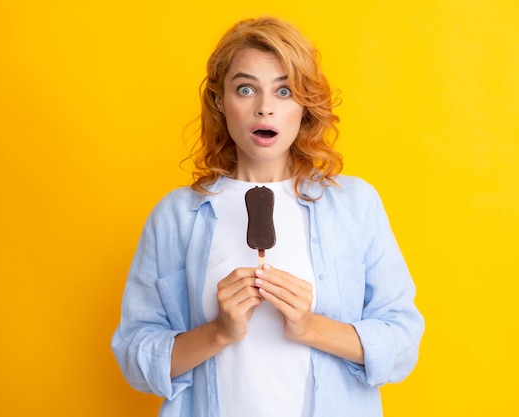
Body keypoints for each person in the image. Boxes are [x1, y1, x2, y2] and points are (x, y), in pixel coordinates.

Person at [112, 16, 424, 417]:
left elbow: (402, 343)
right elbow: (134, 353)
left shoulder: (355, 205)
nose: (265, 108)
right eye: (246, 89)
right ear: (220, 102)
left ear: (304, 105)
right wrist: (219, 332)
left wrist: (310, 327)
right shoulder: (176, 216)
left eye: (284, 90)